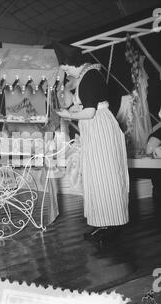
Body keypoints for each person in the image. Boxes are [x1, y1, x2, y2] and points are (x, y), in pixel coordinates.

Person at [53, 42, 130, 240]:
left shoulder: (90, 76)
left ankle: (112, 224)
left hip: (100, 130)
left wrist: (67, 115)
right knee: (97, 176)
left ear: (71, 63)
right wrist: (71, 110)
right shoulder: (86, 75)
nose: (66, 72)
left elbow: (90, 111)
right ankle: (102, 222)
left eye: (65, 68)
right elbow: (87, 105)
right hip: (94, 130)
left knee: (106, 175)